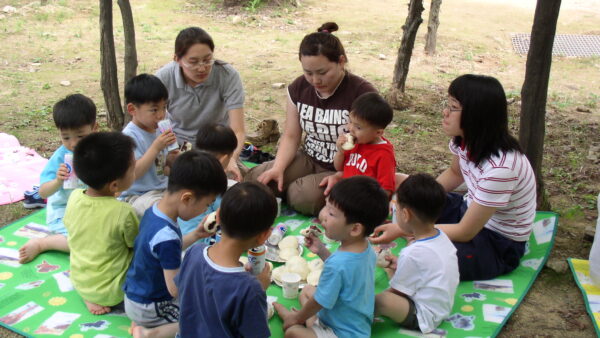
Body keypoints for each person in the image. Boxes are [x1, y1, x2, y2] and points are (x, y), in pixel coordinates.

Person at [371, 74, 537, 281]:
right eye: (447, 104)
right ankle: (415, 231)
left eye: (453, 107)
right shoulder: (465, 141)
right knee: (404, 191)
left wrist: (403, 228)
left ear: (476, 115)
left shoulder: (501, 168)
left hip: (496, 241)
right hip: (467, 209)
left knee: (421, 254)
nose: (445, 112)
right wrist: (422, 200)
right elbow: (455, 173)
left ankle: (414, 242)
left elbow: (465, 231)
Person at [245, 22, 378, 216]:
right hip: (309, 157)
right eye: (308, 73)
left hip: (345, 168)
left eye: (322, 73)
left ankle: (299, 192)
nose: (315, 81)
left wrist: (344, 175)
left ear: (341, 62)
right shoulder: (299, 88)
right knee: (258, 180)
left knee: (302, 196)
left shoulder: (361, 93)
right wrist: (279, 168)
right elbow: (291, 135)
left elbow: (373, 146)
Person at [124, 151, 227, 338]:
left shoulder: (154, 211)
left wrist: (196, 234)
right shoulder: (167, 236)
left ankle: (142, 320)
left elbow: (162, 252)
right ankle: (149, 332)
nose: (206, 210)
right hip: (151, 303)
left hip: (135, 293)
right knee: (206, 317)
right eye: (206, 204)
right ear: (186, 198)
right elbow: (175, 288)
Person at [274, 176, 389, 338]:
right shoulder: (367, 248)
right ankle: (308, 324)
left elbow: (320, 300)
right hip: (351, 319)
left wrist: (296, 318)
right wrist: (321, 250)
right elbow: (345, 274)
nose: (324, 216)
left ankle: (298, 321)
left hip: (342, 333)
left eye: (331, 213)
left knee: (293, 333)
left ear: (355, 229)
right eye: (326, 208)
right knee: (306, 290)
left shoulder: (337, 264)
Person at [175, 182, 275, 337]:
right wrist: (260, 288)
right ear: (264, 236)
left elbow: (184, 292)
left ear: (218, 215)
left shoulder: (194, 252)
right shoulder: (250, 289)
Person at [155, 26, 246, 181]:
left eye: (207, 60)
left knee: (232, 181)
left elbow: (238, 130)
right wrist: (170, 153)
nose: (202, 68)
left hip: (216, 145)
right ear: (177, 59)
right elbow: (153, 123)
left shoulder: (227, 75)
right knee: (173, 177)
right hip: (180, 145)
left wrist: (231, 159)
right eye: (194, 62)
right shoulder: (164, 78)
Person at [63, 132, 139, 315]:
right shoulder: (123, 212)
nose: (135, 172)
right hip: (114, 291)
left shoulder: (74, 197)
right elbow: (135, 244)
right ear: (114, 185)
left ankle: (89, 295)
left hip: (80, 279)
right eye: (133, 169)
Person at [375, 173, 459, 334]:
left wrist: (367, 300)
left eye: (396, 208)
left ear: (405, 215)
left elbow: (397, 292)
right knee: (393, 273)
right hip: (442, 305)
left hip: (424, 315)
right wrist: (395, 266)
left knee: (382, 300)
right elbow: (428, 268)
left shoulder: (412, 253)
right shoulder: (442, 237)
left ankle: (347, 320)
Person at [18, 94, 97, 264]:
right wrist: (58, 181)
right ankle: (43, 244)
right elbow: (43, 192)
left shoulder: (98, 151)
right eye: (66, 137)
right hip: (64, 211)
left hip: (92, 207)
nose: (73, 143)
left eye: (80, 136)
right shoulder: (61, 157)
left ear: (94, 128)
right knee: (83, 242)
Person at [120, 74, 178, 217]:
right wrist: (156, 147)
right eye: (154, 110)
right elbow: (134, 174)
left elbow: (164, 168)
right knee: (161, 210)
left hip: (162, 189)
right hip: (137, 196)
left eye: (164, 107)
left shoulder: (159, 130)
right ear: (132, 109)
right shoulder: (129, 136)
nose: (161, 115)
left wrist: (173, 157)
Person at [177, 123, 238, 236]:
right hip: (200, 238)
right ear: (225, 158)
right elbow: (223, 211)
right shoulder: (211, 179)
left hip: (184, 236)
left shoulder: (188, 168)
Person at [331, 92, 395, 195]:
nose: (351, 128)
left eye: (358, 127)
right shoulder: (356, 142)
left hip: (363, 201)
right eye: (350, 122)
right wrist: (340, 152)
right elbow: (339, 168)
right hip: (346, 192)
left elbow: (386, 189)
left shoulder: (384, 154)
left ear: (378, 132)